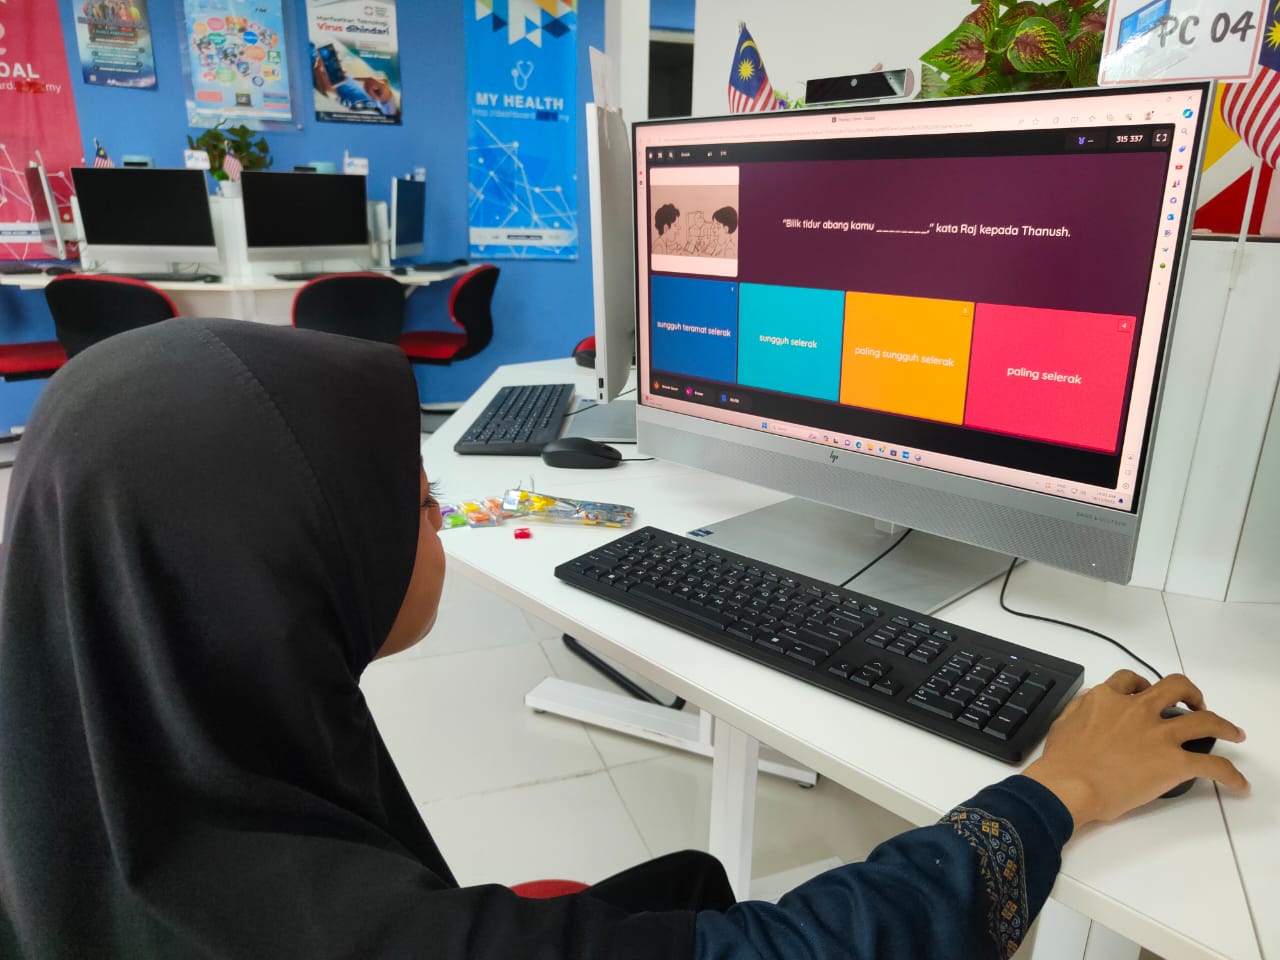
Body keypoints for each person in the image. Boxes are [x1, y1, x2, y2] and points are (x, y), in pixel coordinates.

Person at [0, 319, 1248, 959]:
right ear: (279, 581)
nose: (433, 514)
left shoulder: (108, 773)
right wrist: (1056, 792)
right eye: (412, 500)